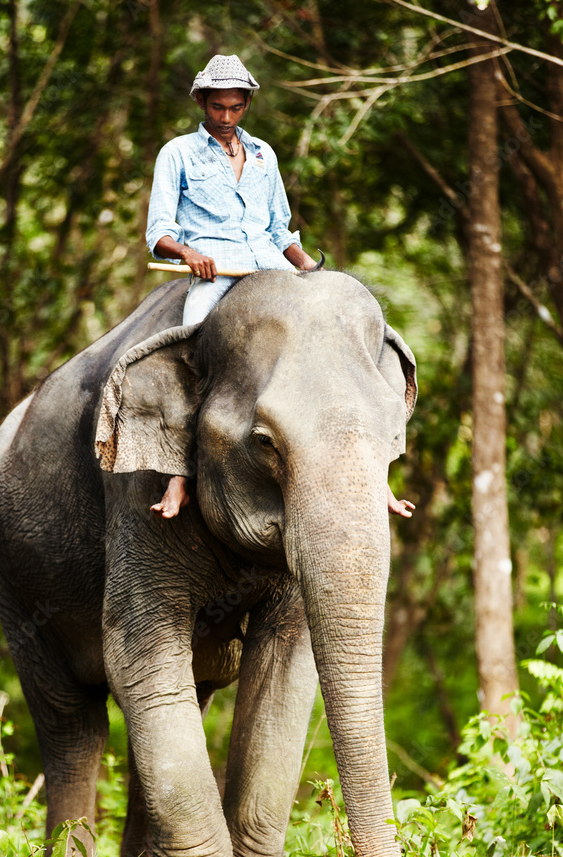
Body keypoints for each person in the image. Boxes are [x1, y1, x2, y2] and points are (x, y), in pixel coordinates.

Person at [145, 54, 414, 520]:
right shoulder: (177, 153)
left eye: (235, 108)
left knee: (348, 355)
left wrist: (312, 268)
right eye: (217, 108)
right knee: (187, 360)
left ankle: (376, 477)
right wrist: (189, 254)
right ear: (201, 102)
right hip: (216, 275)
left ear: (246, 104)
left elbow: (280, 231)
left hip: (273, 272)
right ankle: (178, 475)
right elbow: (158, 234)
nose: (226, 118)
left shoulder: (265, 154)